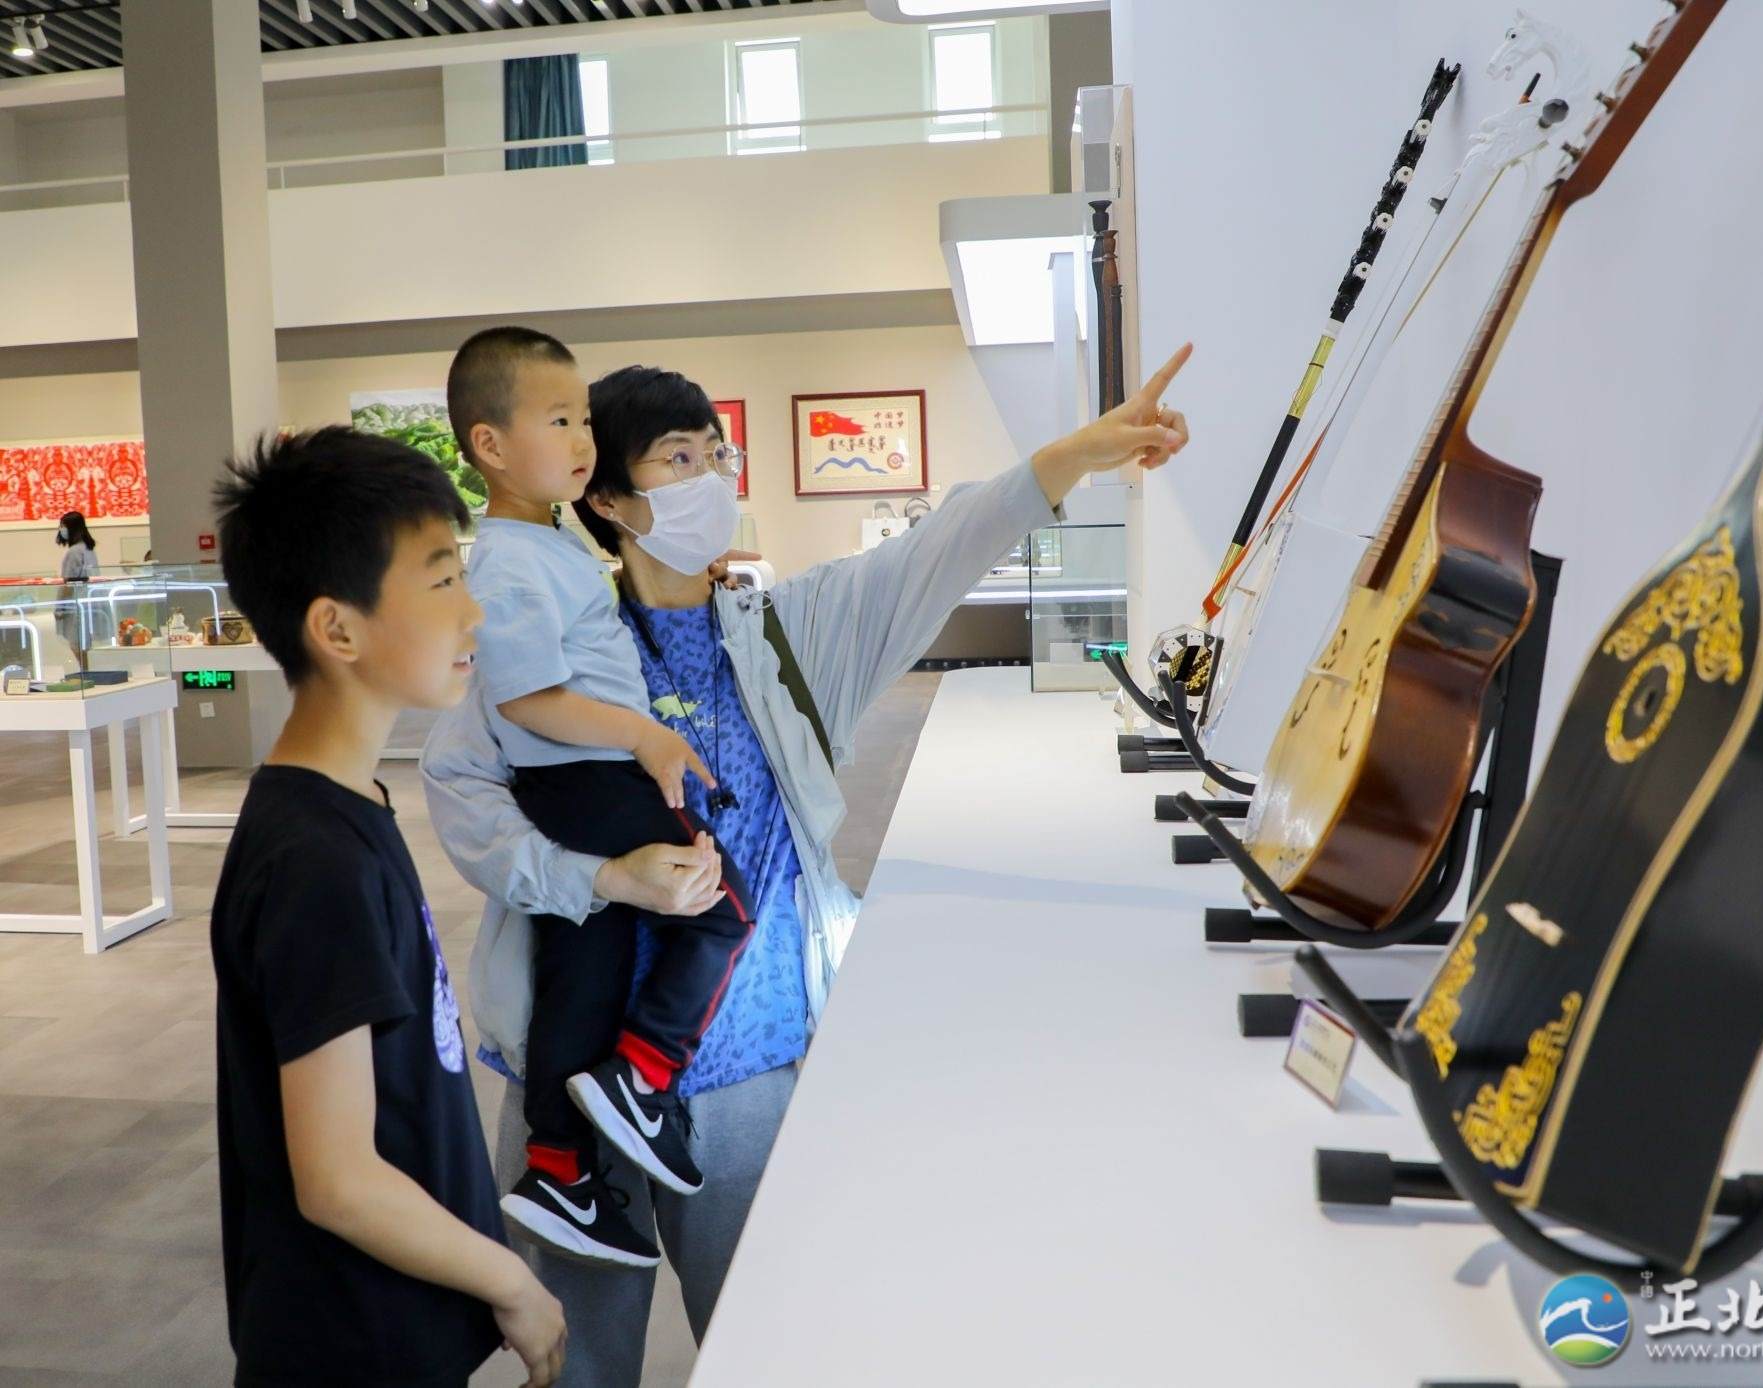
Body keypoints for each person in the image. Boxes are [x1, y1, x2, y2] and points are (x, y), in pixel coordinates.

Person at [423, 347, 1191, 1384]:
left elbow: (936, 548)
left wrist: (1077, 454)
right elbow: (463, 800)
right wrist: (597, 878)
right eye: (677, 458)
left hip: (750, 1066)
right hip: (571, 1072)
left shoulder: (789, 634)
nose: (710, 479)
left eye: (717, 455)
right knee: (578, 1366)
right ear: (605, 494)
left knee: (767, 1348)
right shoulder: (548, 643)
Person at [208, 428, 567, 1388]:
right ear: (338, 630)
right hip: (351, 1344)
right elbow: (337, 1180)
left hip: (390, 1323)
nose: (473, 613)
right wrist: (513, 1283)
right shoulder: (315, 861)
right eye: (442, 581)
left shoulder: (346, 805)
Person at [446, 327, 755, 1270]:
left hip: (577, 779)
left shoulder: (541, 548)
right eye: (558, 421)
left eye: (584, 420)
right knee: (722, 908)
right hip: (582, 776)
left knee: (584, 966)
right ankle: (644, 1077)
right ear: (490, 445)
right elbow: (526, 697)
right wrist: (641, 734)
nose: (579, 440)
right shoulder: (511, 560)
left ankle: (558, 1167)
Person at [55, 511, 99, 581]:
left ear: (72, 528)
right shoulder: (87, 547)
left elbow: (68, 580)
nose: (60, 529)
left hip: (77, 588)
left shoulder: (74, 551)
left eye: (63, 526)